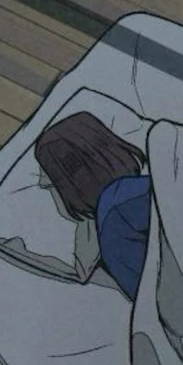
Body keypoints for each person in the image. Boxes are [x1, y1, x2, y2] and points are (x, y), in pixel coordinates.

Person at [34, 111, 152, 300]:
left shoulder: (115, 222)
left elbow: (156, 301)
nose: (42, 184)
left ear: (70, 182)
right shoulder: (145, 188)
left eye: (50, 185)